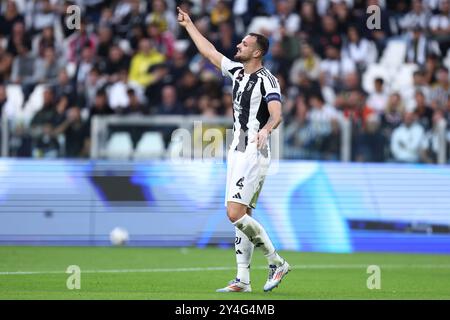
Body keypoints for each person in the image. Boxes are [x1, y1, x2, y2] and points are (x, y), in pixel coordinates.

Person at [177, 7, 290, 293]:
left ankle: (276, 262)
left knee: (234, 213)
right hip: (236, 148)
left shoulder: (267, 79)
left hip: (254, 148)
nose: (238, 45)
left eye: (245, 43)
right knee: (243, 215)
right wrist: (189, 25)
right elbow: (209, 52)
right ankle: (243, 279)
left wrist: (266, 130)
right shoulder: (237, 72)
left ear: (257, 53)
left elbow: (277, 113)